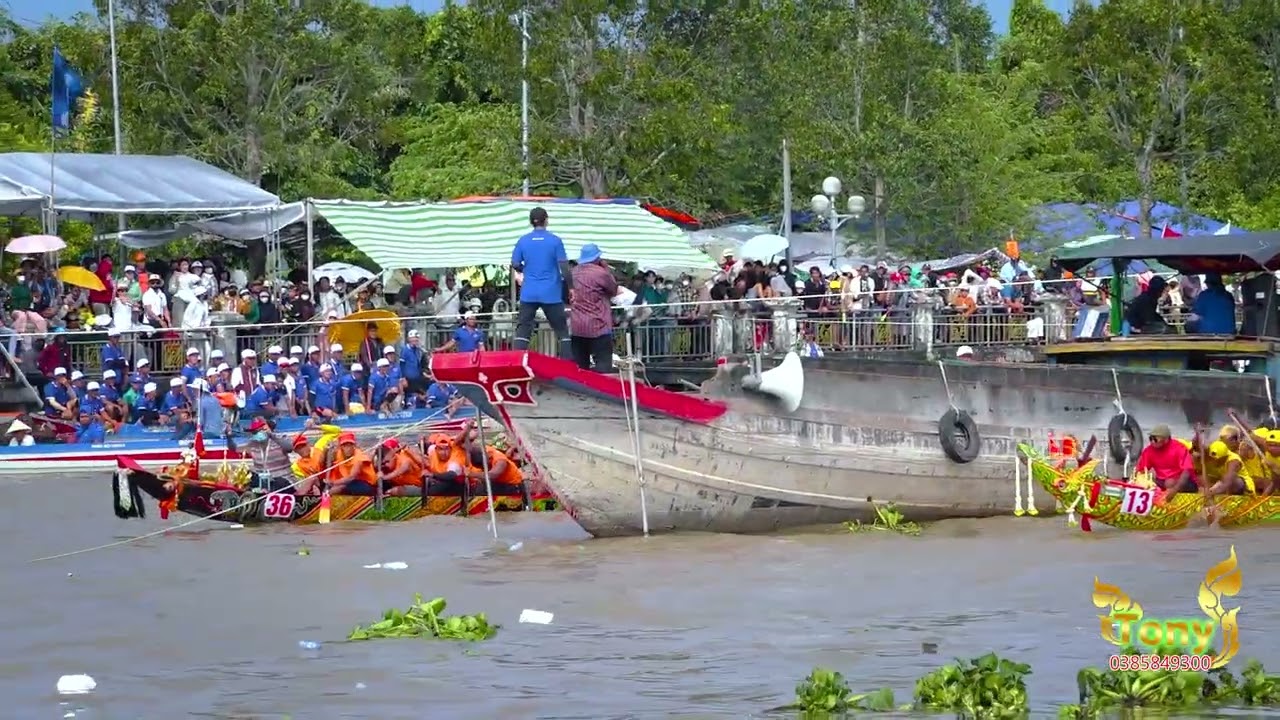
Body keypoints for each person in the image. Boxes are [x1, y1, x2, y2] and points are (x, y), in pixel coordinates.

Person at [510, 206, 571, 356]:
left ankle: (517, 362)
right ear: (546, 220)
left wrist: (526, 270)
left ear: (531, 222)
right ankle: (568, 364)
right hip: (551, 293)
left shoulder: (523, 241)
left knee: (523, 329)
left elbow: (515, 263)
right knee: (562, 331)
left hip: (529, 292)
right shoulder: (555, 241)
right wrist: (571, 287)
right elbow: (564, 266)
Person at [568, 243, 618, 372]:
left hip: (577, 326)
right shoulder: (600, 273)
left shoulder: (573, 273)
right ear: (597, 258)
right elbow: (613, 289)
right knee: (603, 365)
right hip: (599, 325)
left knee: (579, 368)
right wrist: (606, 269)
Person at [1133, 424, 1195, 492]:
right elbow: (1140, 469)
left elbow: (1187, 471)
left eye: (1155, 439)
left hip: (1182, 481)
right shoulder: (1149, 450)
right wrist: (1135, 480)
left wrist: (1175, 489)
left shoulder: (1179, 448)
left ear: (1166, 439)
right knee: (1145, 481)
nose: (1152, 441)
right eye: (1151, 439)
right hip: (1161, 480)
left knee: (1169, 482)